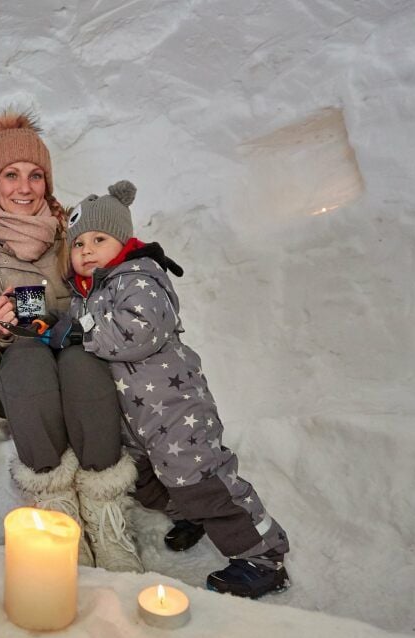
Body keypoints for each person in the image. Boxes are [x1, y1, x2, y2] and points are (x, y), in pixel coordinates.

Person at [44, 179, 290, 598]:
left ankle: (262, 556)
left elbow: (138, 332)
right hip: (135, 419)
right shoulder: (89, 293)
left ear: (123, 240)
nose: (86, 250)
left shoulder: (138, 277)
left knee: (202, 481)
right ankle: (190, 516)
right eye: (79, 243)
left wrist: (77, 330)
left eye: (98, 239)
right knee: (145, 480)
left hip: (174, 409)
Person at [0, 111, 143, 572]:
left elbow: (113, 291)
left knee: (82, 365)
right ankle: (56, 507)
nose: (24, 187)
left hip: (78, 345)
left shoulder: (76, 235)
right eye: (11, 175)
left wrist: (65, 312)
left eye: (36, 176)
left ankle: (105, 510)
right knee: (27, 365)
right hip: (14, 358)